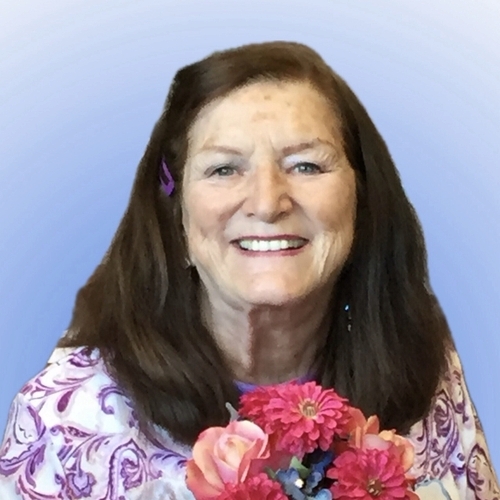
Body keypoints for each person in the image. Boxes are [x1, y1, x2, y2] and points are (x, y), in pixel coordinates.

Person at [0, 40, 498, 500]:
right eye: (224, 169)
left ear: (362, 200)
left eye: (306, 165)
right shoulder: (65, 419)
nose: (267, 202)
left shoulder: (424, 369)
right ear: (174, 216)